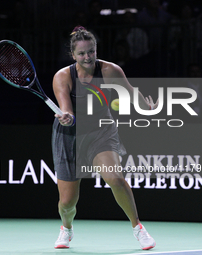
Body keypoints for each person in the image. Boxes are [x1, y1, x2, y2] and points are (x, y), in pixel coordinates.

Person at [51, 26, 158, 250]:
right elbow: (66, 109)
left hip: (101, 131)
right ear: (73, 55)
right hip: (69, 135)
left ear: (96, 49)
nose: (87, 57)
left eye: (91, 51)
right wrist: (67, 118)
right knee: (67, 203)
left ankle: (137, 227)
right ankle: (66, 228)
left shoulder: (110, 70)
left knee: (116, 179)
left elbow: (129, 91)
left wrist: (145, 106)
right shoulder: (62, 76)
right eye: (81, 54)